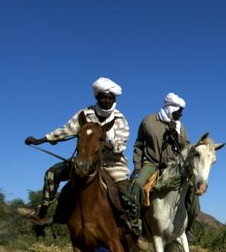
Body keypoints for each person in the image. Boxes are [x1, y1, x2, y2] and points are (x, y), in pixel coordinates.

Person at [22, 77, 140, 236]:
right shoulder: (84, 114)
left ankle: (134, 226)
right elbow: (66, 130)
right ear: (96, 97)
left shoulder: (120, 119)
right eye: (102, 97)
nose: (106, 101)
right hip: (84, 161)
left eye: (110, 98)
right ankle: (43, 214)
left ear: (114, 99)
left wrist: (103, 143)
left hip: (112, 164)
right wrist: (41, 140)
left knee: (126, 194)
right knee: (52, 174)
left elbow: (121, 145)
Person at [131, 92, 199, 238]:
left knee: (193, 194)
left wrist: (176, 133)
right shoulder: (148, 121)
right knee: (138, 184)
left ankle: (188, 228)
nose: (181, 114)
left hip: (174, 166)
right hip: (152, 163)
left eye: (182, 111)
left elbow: (186, 148)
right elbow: (138, 145)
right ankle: (136, 223)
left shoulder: (180, 126)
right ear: (170, 108)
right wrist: (137, 166)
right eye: (179, 111)